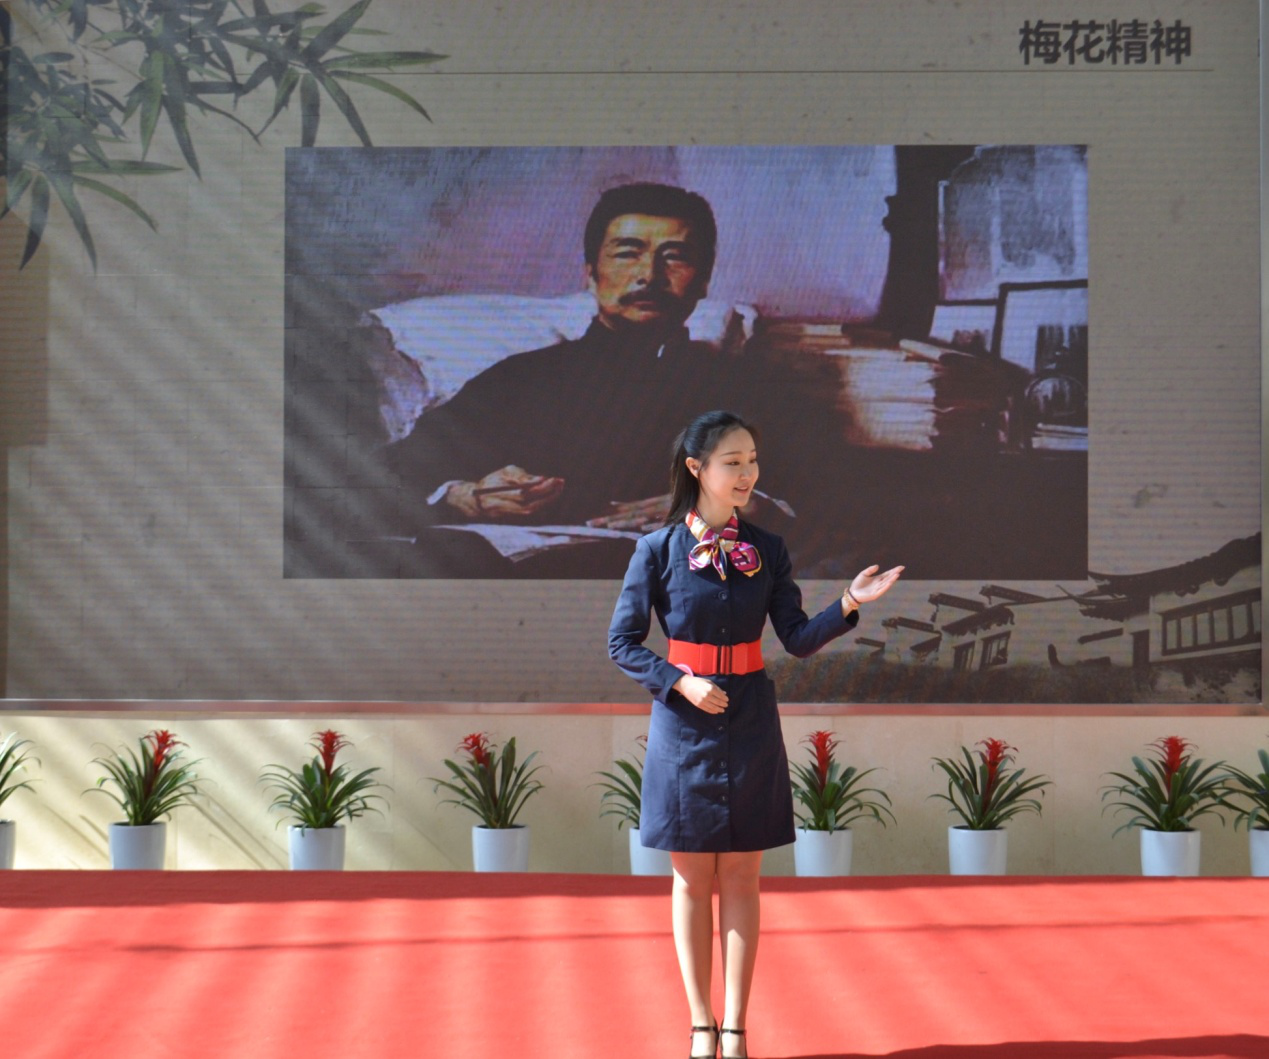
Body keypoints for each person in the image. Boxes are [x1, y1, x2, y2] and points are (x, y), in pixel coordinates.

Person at [607, 410, 902, 1059]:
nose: (748, 473)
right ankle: (700, 1024)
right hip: (683, 720)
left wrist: (849, 602)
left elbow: (795, 638)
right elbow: (621, 643)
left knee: (743, 875)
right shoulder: (655, 550)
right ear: (697, 468)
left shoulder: (768, 547)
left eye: (752, 461)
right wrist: (679, 683)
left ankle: (736, 1027)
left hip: (750, 719)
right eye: (733, 462)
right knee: (691, 878)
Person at [382, 183, 842, 575]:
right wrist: (461, 497)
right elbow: (387, 475)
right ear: (590, 273)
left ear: (703, 281)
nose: (648, 275)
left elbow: (830, 500)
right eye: (627, 253)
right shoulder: (518, 378)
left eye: (674, 258)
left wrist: (742, 507)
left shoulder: (755, 391)